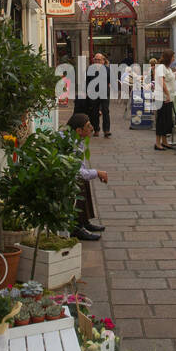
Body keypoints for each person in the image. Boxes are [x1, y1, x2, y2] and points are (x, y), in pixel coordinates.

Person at [66, 112, 107, 240]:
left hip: (68, 172)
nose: (91, 128)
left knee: (85, 180)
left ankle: (83, 222)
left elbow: (81, 167)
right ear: (78, 130)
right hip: (61, 175)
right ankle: (76, 228)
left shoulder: (78, 140)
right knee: (80, 181)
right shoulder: (71, 143)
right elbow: (78, 171)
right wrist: (97, 173)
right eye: (88, 126)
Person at [154, 50, 176, 150]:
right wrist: (167, 94)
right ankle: (157, 143)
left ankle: (164, 141)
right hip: (162, 98)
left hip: (168, 98)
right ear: (168, 57)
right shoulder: (161, 67)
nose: (174, 58)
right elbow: (162, 82)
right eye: (173, 56)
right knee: (161, 120)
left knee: (167, 120)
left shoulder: (168, 68)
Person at [86, 51, 111, 138]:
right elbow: (87, 81)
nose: (97, 61)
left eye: (99, 60)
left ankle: (106, 130)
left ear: (103, 61)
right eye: (95, 60)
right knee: (94, 112)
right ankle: (96, 129)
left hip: (104, 93)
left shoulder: (107, 69)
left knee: (105, 111)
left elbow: (110, 81)